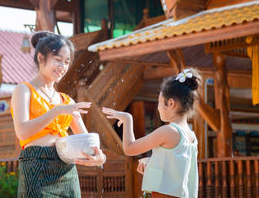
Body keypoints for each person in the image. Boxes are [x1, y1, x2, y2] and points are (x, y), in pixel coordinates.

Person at [11, 31, 106, 198]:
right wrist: (57, 111)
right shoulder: (24, 90)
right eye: (58, 60)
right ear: (41, 58)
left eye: (67, 62)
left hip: (67, 169)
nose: (63, 67)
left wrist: (100, 158)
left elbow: (87, 140)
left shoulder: (66, 101)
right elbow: (22, 132)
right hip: (36, 165)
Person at [102, 68, 201, 198]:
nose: (158, 108)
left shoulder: (169, 131)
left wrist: (127, 119)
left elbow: (130, 148)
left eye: (159, 103)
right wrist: (153, 162)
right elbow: (176, 172)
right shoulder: (191, 136)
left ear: (170, 103)